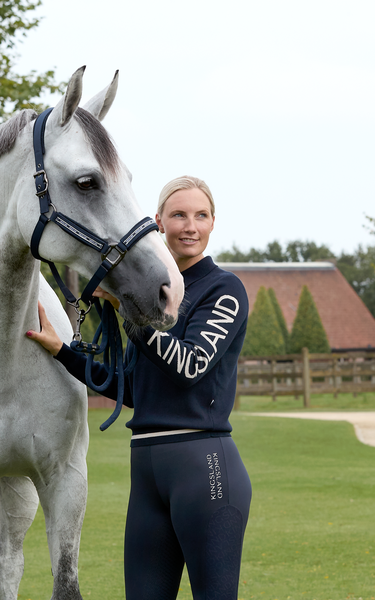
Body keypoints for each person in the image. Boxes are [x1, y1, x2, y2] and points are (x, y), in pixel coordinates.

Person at [26, 176, 252, 600]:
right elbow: (132, 390)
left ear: (213, 223)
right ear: (158, 223)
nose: (190, 225)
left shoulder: (224, 289)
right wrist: (62, 351)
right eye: (179, 215)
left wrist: (134, 318)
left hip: (204, 466)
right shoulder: (150, 294)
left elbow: (191, 365)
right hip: (146, 468)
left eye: (200, 216)